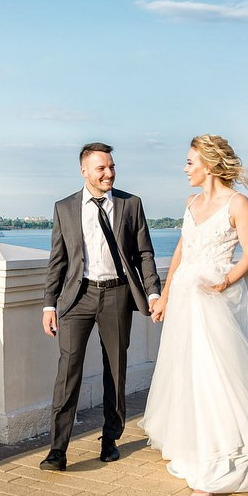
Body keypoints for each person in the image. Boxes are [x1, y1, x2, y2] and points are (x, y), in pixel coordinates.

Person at [139, 135, 248, 496]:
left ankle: (217, 468)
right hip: (185, 302)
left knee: (216, 377)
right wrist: (165, 295)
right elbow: (181, 251)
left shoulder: (238, 203)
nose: (185, 168)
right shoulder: (191, 202)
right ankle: (194, 451)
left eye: (190, 161)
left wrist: (225, 281)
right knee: (187, 374)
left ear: (207, 164)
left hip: (215, 300)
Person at [40, 142, 162, 471]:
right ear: (84, 171)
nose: (109, 173)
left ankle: (110, 439)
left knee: (116, 370)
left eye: (111, 167)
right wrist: (48, 305)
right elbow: (58, 261)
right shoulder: (64, 208)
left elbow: (145, 253)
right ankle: (57, 450)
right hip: (77, 299)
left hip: (117, 295)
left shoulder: (130, 204)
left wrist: (153, 292)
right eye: (101, 168)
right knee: (68, 373)